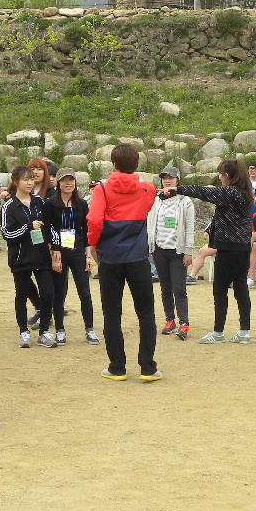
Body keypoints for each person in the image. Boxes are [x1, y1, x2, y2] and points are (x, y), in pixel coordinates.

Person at [88, 144, 160, 379]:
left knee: (112, 313)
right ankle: (148, 367)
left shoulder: (102, 189)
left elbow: (95, 220)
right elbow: (147, 205)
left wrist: (93, 243)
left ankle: (117, 367)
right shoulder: (148, 189)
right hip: (138, 258)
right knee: (146, 313)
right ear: (137, 164)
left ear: (114, 164)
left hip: (110, 258)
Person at [170, 159, 254, 345]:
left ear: (228, 176)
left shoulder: (230, 192)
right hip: (242, 249)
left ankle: (218, 332)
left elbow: (203, 191)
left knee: (220, 291)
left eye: (221, 174)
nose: (219, 178)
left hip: (228, 249)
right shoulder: (248, 193)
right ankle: (244, 331)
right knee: (241, 290)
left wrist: (177, 189)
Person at [2, 166, 54, 348]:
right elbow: (7, 234)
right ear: (16, 181)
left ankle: (44, 331)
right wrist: (28, 227)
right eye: (26, 179)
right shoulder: (9, 205)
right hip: (20, 258)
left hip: (41, 256)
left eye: (32, 179)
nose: (30, 182)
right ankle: (23, 331)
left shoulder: (40, 202)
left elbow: (49, 227)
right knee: (21, 296)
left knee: (48, 293)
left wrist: (53, 247)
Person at [46, 169, 99, 345]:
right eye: (64, 180)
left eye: (71, 180)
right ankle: (60, 329)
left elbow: (86, 230)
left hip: (77, 250)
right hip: (59, 252)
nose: (68, 183)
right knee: (60, 292)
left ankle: (89, 329)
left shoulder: (81, 204)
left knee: (85, 292)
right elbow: (47, 230)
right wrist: (53, 253)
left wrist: (88, 256)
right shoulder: (50, 204)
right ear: (58, 183)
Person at [147, 166, 195, 339]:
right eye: (164, 178)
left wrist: (188, 251)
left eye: (171, 177)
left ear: (178, 180)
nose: (167, 180)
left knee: (179, 288)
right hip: (159, 250)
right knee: (165, 288)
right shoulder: (155, 201)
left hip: (178, 251)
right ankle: (170, 320)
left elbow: (190, 228)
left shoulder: (185, 201)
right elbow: (150, 224)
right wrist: (149, 248)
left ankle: (184, 323)